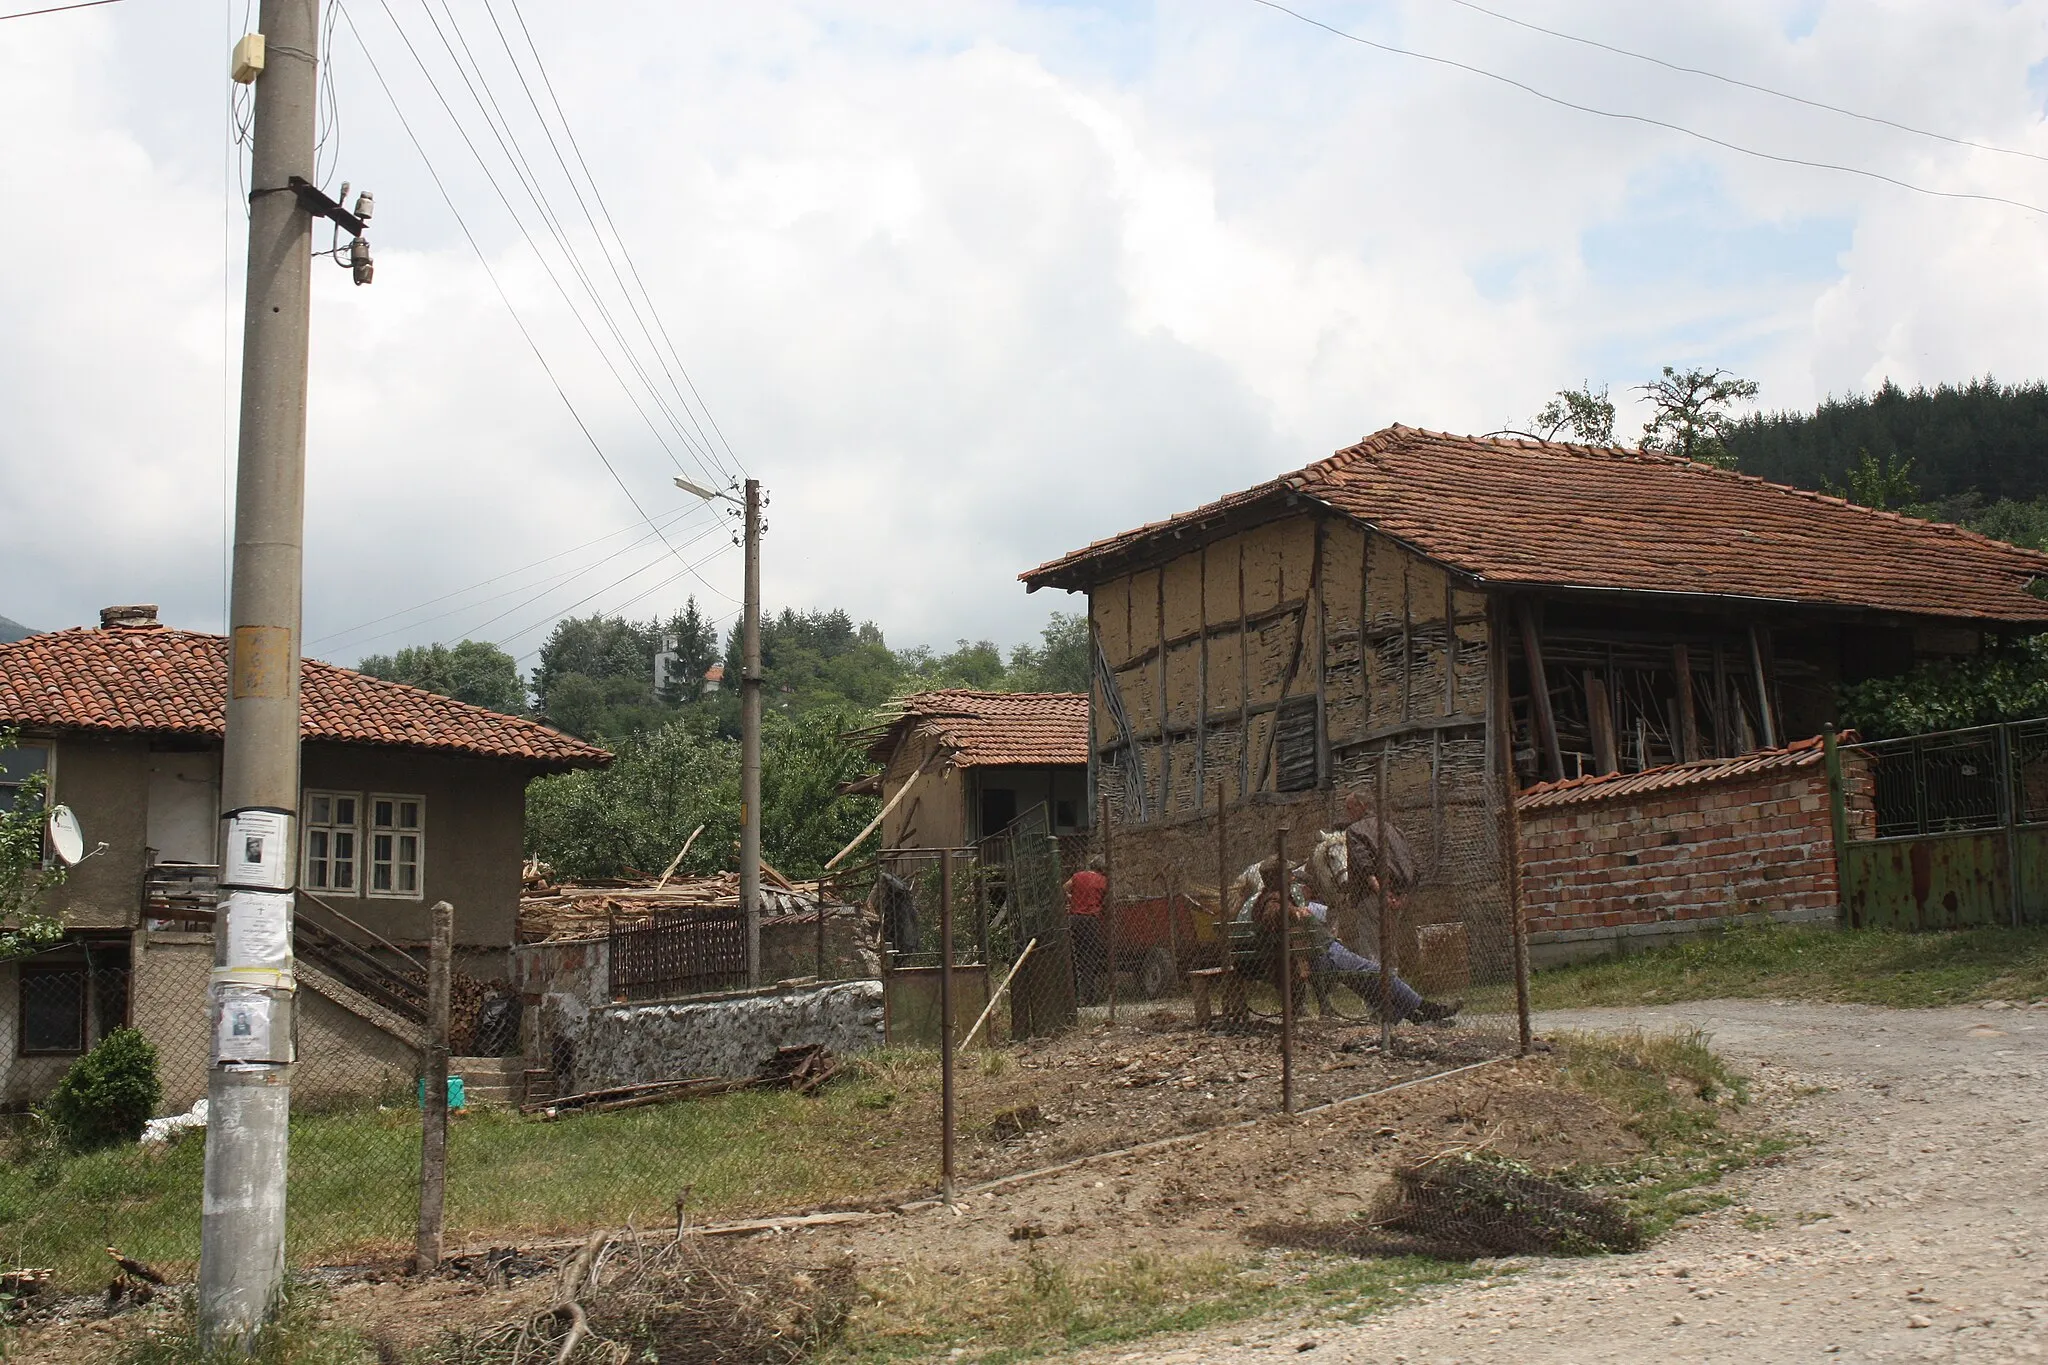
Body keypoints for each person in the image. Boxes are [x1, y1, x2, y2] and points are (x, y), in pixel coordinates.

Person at [1065, 856, 1108, 1003]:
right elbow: (1105, 901)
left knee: (1074, 958)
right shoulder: (1103, 881)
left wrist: (1071, 898)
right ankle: (1088, 996)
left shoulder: (1078, 876)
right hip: (1091, 920)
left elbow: (1064, 888)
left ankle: (1075, 996)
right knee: (1089, 958)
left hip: (1075, 919)